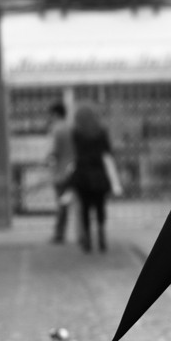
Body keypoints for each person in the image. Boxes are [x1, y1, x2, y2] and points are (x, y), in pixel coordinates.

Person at [70, 105, 113, 253]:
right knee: (100, 206)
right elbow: (108, 151)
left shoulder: (77, 133)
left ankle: (87, 241)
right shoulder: (101, 132)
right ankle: (101, 238)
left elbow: (75, 152)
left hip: (82, 174)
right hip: (98, 173)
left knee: (85, 208)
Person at [47, 102, 75, 244]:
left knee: (61, 204)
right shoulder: (71, 128)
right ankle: (75, 232)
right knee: (68, 203)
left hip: (60, 172)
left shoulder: (56, 129)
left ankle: (59, 234)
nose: (50, 118)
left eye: (51, 115)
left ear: (56, 114)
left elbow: (53, 152)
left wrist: (49, 163)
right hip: (72, 170)